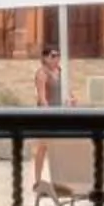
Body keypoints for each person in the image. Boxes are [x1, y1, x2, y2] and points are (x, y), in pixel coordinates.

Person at [32, 40, 65, 184]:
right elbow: (42, 97)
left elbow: (66, 91)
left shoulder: (60, 71)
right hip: (48, 113)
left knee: (60, 146)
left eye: (58, 56)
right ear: (45, 58)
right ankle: (38, 180)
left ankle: (59, 178)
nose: (56, 59)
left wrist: (72, 99)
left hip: (60, 111)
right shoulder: (42, 73)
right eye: (53, 56)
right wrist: (47, 114)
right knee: (43, 146)